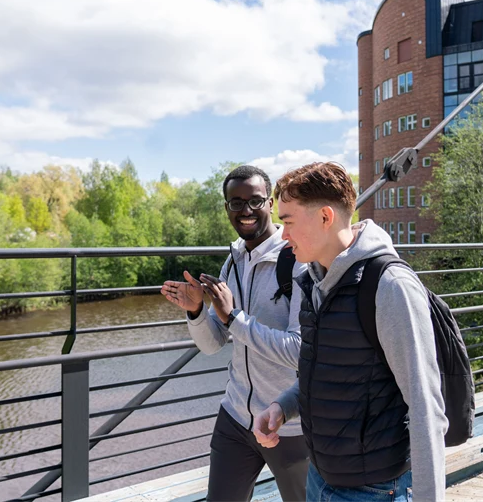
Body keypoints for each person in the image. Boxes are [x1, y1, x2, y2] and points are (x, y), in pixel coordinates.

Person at [252, 162, 447, 501]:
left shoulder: (391, 286)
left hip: (374, 490)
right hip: (320, 477)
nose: (283, 235)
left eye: (289, 222)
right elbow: (330, 372)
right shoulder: (314, 281)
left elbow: (424, 406)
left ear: (325, 217)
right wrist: (283, 407)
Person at [160, 165, 308, 502]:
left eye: (255, 201)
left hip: (288, 424)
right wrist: (196, 311)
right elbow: (213, 344)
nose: (246, 211)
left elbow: (300, 350)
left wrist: (235, 318)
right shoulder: (233, 261)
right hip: (236, 418)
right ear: (227, 207)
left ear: (270, 203)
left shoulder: (298, 260)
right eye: (236, 203)